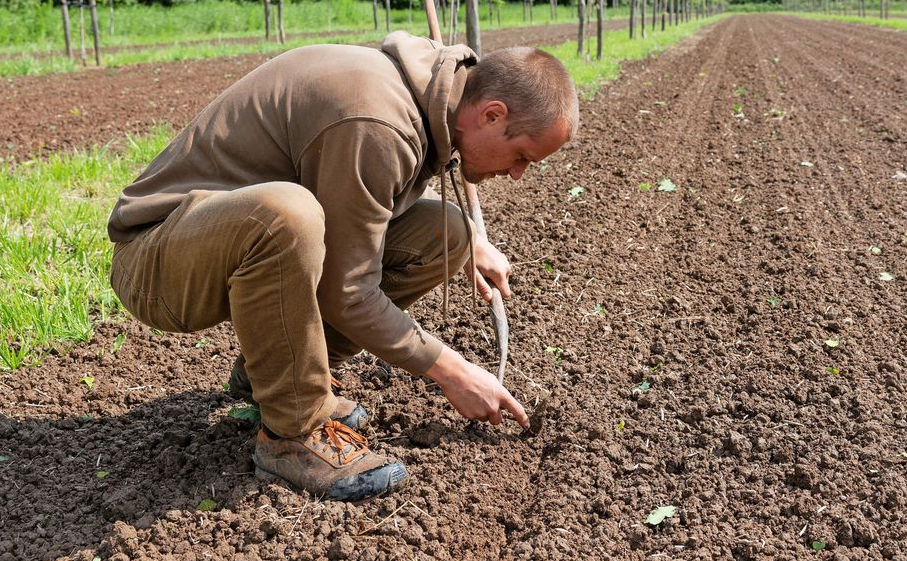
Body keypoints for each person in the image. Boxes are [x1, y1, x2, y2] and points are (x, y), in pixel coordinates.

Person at [107, 32, 579, 501]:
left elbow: (364, 210)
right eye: (521, 157)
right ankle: (292, 433)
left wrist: (468, 242)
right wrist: (453, 371)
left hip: (210, 240)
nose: (518, 174)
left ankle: (276, 377)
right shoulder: (377, 121)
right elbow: (348, 291)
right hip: (157, 261)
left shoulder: (432, 92)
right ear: (492, 114)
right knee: (286, 217)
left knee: (446, 231)